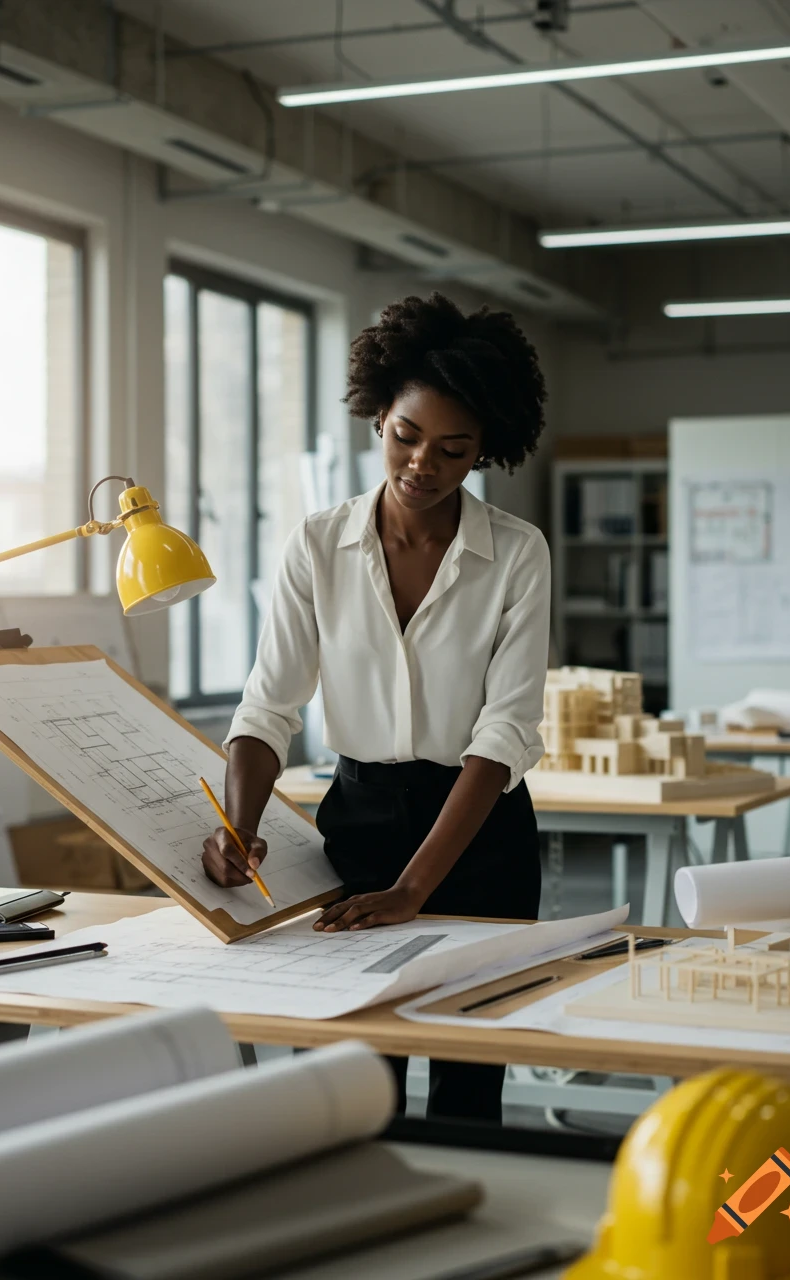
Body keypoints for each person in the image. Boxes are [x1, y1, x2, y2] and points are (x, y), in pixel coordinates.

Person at [203, 292, 551, 1123]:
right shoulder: (318, 545)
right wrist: (241, 824)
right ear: (377, 417)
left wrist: (413, 887)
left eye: (453, 449)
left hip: (478, 835)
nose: (421, 463)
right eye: (406, 435)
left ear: (483, 454)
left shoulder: (517, 555)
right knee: (353, 1081)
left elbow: (502, 736)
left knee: (469, 1086)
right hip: (355, 823)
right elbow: (268, 706)